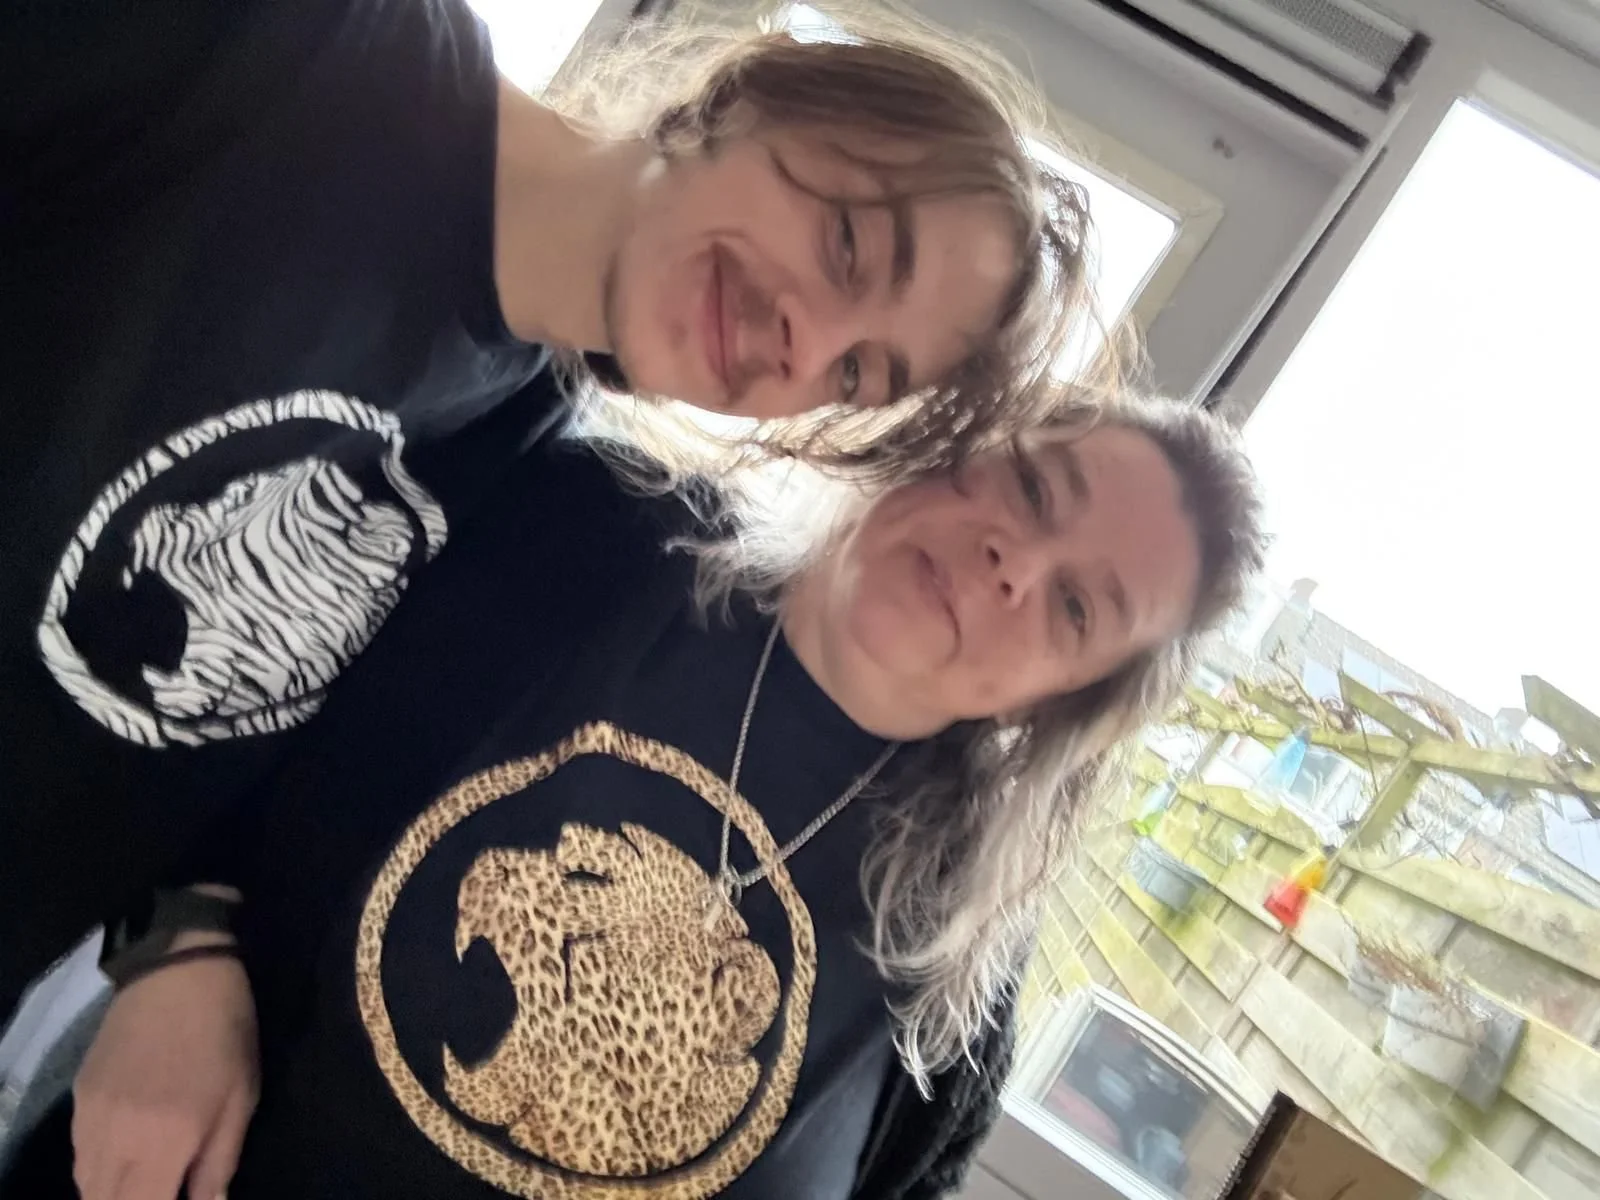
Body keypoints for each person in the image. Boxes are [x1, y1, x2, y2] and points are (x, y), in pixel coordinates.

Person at [0, 0, 1106, 1014]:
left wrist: (178, 942)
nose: (803, 340)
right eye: (849, 244)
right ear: (758, 93)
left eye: (859, 375)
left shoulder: (511, 453)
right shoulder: (300, 51)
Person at [2, 390, 1266, 1199]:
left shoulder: (954, 986)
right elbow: (227, 707)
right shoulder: (593, 527)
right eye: (1037, 487)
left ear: (1054, 704)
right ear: (955, 437)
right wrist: (179, 943)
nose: (1015, 563)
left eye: (1077, 606)